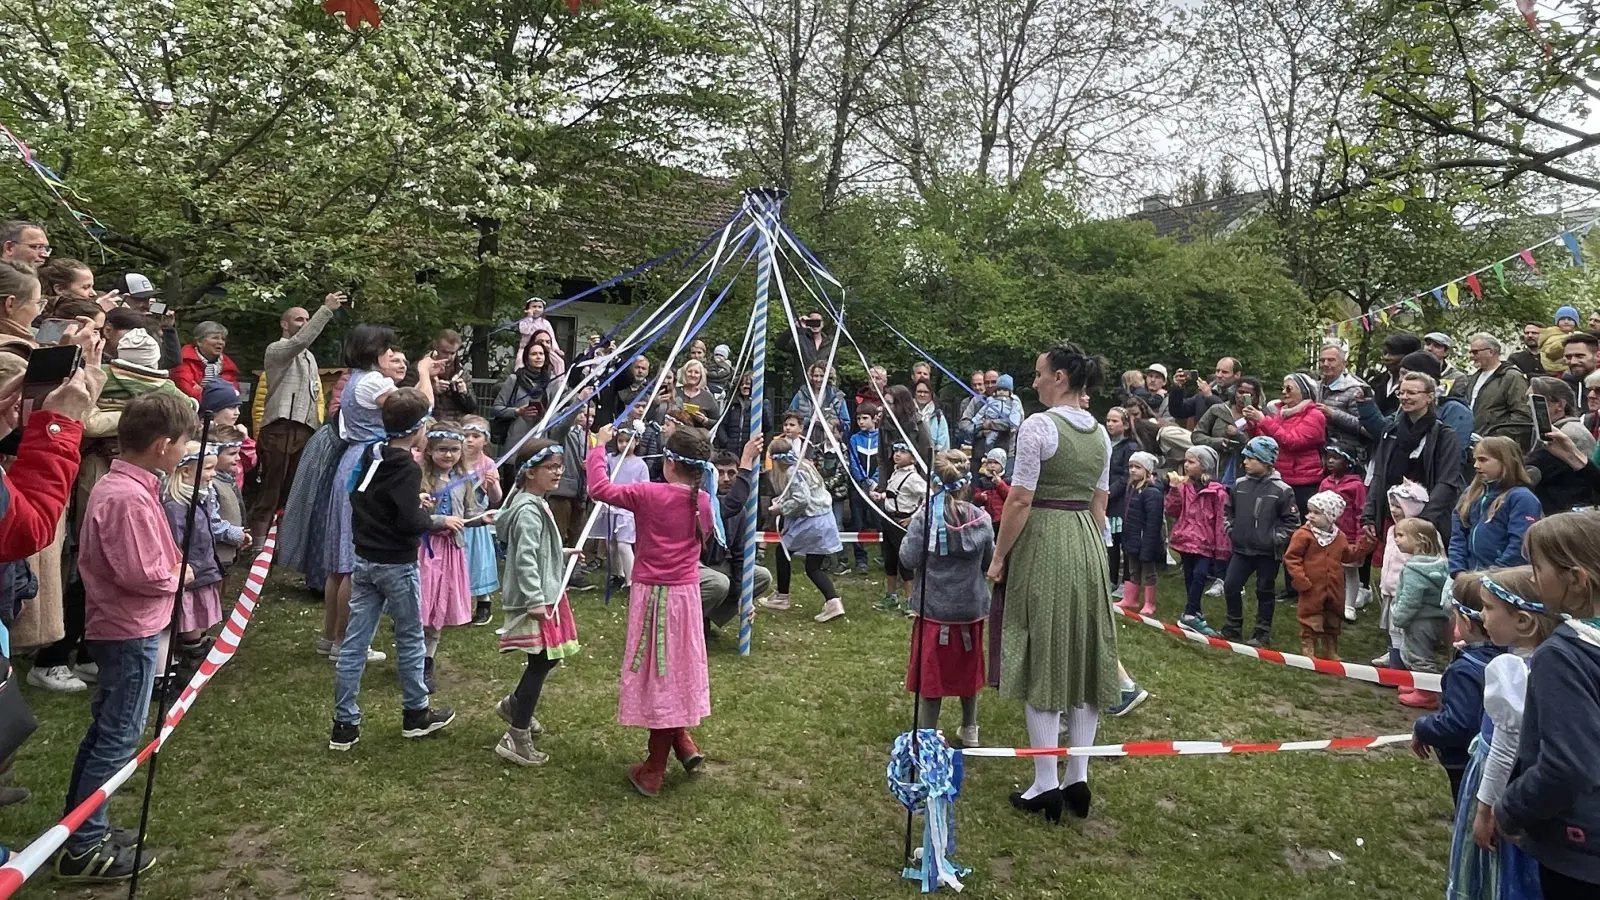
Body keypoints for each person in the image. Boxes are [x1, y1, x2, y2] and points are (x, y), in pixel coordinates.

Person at [56, 391, 193, 882]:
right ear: (162, 445)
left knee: (107, 732)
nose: (184, 453)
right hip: (128, 630)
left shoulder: (132, 487)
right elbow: (141, 572)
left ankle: (81, 827)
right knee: (118, 737)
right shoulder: (126, 498)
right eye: (182, 444)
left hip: (124, 627)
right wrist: (182, 573)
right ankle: (84, 847)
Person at [987, 344, 1119, 823]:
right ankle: (1076, 777)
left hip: (1045, 539)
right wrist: (1095, 556)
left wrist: (999, 556)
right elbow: (1100, 503)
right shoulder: (1102, 433)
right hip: (1086, 542)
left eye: (1039, 373)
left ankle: (1045, 783)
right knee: (1083, 653)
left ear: (1060, 377)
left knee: (1042, 650)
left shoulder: (1038, 426)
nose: (1035, 380)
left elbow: (1019, 500)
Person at [586, 423, 717, 797]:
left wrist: (598, 447)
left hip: (655, 599)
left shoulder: (649, 494)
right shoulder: (703, 501)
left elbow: (600, 489)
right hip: (686, 598)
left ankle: (654, 769)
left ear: (670, 463)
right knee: (673, 673)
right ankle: (682, 743)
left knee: (660, 678)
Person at [329, 387, 459, 753]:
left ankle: (344, 724)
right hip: (396, 564)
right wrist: (436, 519)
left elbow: (362, 495)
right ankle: (416, 713)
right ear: (418, 429)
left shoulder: (373, 454)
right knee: (410, 638)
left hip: (364, 560)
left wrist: (407, 502)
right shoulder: (406, 466)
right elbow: (408, 522)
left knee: (355, 642)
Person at [1500, 513, 1600, 897]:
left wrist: (1511, 807)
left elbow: (1568, 767)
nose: (1532, 576)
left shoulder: (1564, 656)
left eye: (1537, 566)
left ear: (1575, 579)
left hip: (1581, 851)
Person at [323, 327, 435, 664]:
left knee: (341, 563)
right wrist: (424, 372)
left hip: (357, 458)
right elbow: (417, 408)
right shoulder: (373, 382)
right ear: (374, 351)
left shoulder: (357, 378)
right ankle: (345, 641)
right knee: (350, 561)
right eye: (387, 348)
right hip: (371, 462)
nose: (391, 354)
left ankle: (330, 636)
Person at [1446, 566, 1553, 900]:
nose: (1481, 615)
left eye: (1489, 608)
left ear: (1523, 622)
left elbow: (1503, 749)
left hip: (1502, 788)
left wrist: (1484, 809)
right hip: (1533, 793)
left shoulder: (1510, 673)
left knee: (1495, 869)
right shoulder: (1553, 665)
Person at [491, 438, 581, 767]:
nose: (558, 472)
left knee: (546, 660)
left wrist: (562, 553)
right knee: (541, 661)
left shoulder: (536, 501)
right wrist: (534, 599)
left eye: (559, 466)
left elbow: (538, 550)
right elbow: (525, 559)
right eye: (551, 467)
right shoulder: (528, 510)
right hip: (537, 598)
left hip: (546, 593)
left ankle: (516, 707)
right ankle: (516, 733)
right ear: (530, 472)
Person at [902, 450, 993, 749]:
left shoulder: (925, 516)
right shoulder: (982, 518)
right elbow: (988, 561)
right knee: (968, 666)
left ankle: (927, 732)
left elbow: (908, 557)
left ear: (934, 483)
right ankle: (970, 728)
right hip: (969, 607)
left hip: (935, 608)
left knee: (932, 671)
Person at [251, 292, 344, 544]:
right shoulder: (277, 349)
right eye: (299, 319)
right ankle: (257, 547)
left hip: (304, 432)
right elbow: (299, 342)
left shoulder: (310, 358)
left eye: (306, 319)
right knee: (269, 492)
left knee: (292, 493)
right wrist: (325, 310)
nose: (303, 323)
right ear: (285, 324)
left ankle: (280, 545)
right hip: (279, 429)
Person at [1412, 573, 1502, 807]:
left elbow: (1459, 723)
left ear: (1467, 622)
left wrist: (1423, 727)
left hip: (1467, 763)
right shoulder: (1509, 657)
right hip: (1500, 764)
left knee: (1471, 818)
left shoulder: (1464, 670)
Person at [1362, 371, 1464, 546]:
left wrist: (1424, 521)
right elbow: (1379, 475)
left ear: (1430, 397)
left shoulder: (1444, 435)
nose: (1404, 397)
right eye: (1401, 392)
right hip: (1391, 518)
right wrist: (1369, 515)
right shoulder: (1391, 432)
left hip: (1428, 523)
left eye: (1412, 393)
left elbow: (1446, 482)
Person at [1220, 437, 1299, 647]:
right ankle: (1233, 626)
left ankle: (1262, 632)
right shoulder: (1239, 485)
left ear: (1266, 462)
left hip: (1267, 553)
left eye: (1250, 458)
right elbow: (1229, 511)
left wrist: (1273, 539)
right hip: (1241, 548)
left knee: (1265, 590)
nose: (1245, 462)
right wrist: (1232, 530)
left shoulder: (1282, 490)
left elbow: (1292, 523)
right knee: (1231, 585)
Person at [761, 436, 846, 621]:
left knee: (783, 552)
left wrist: (780, 508)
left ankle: (783, 596)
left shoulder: (792, 471)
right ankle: (833, 602)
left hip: (811, 522)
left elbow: (802, 499)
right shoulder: (805, 465)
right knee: (813, 566)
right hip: (824, 519)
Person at [1283, 490, 1371, 660]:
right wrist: (1300, 578)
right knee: (1310, 615)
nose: (1310, 516)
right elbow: (1292, 557)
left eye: (1317, 513)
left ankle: (1330, 648)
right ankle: (1309, 647)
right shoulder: (1303, 534)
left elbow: (1348, 555)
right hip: (1311, 585)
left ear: (1331, 516)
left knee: (1333, 616)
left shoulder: (1339, 537)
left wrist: (1364, 545)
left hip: (1334, 586)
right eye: (1309, 512)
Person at [162, 443, 227, 667]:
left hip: (202, 567)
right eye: (208, 468)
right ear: (186, 471)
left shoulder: (201, 499)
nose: (213, 474)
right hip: (189, 571)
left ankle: (196, 642)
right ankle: (192, 649)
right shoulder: (176, 505)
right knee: (188, 611)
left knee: (198, 609)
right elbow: (173, 540)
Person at [700, 437, 773, 632]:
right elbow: (731, 503)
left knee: (760, 575)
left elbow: (740, 554)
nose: (725, 479)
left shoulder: (741, 512)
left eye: (731, 473)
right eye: (720, 473)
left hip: (721, 565)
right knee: (718, 583)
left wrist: (743, 595)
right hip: (694, 567)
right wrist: (747, 460)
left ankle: (709, 616)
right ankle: (694, 621)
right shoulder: (703, 501)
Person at [1448, 436, 1541, 576]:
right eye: (1475, 460)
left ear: (1506, 461)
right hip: (1469, 577)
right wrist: (1458, 571)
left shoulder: (1522, 498)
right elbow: (1458, 536)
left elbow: (1520, 543)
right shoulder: (1471, 494)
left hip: (1504, 578)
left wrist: (1494, 575)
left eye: (1483, 460)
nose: (1476, 466)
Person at [1165, 446, 1230, 636]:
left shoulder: (1217, 491)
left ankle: (1190, 613)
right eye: (1185, 461)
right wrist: (1174, 491)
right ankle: (1194, 610)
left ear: (1205, 465)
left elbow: (1220, 520)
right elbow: (1172, 510)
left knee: (1201, 575)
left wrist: (1222, 547)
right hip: (1186, 538)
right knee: (1190, 576)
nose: (1186, 465)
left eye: (1191, 462)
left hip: (1205, 541)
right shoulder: (1183, 486)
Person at [1244, 373, 1328, 519]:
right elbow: (1266, 443)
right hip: (1279, 478)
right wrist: (1252, 424)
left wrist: (1263, 420)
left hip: (1303, 482)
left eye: (1289, 389)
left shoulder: (1315, 415)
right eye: (1283, 388)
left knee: (1298, 524)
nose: (1283, 392)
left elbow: (1292, 442)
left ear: (1303, 392)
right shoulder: (1282, 414)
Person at [1389, 517, 1450, 709]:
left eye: (1400, 535)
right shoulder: (1440, 565)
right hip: (1438, 619)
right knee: (1420, 653)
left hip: (1420, 621)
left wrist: (1398, 618)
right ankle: (1418, 685)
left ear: (1420, 540)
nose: (1396, 540)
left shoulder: (1414, 570)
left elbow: (1410, 599)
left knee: (1419, 656)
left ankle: (1427, 694)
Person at [1375, 480, 1430, 670]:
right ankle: (1394, 654)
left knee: (1404, 628)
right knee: (1393, 627)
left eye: (1399, 506)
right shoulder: (1392, 530)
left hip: (1407, 590)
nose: (1394, 510)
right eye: (1392, 505)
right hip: (1390, 588)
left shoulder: (1422, 532)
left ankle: (1402, 662)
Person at [459, 418, 501, 626]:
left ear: (485, 440)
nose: (469, 440)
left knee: (478, 563)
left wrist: (491, 486)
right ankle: (456, 605)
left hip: (478, 521)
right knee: (457, 563)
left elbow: (496, 498)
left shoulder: (488, 464)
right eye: (466, 435)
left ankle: (483, 603)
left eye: (475, 436)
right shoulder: (455, 461)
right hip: (458, 520)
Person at [1456, 333, 1532, 449]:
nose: (1471, 356)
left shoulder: (1512, 376)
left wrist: (1494, 437)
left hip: (1497, 448)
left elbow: (1522, 415)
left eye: (1475, 352)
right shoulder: (1474, 377)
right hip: (1472, 444)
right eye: (1471, 352)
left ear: (1491, 352)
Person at [598, 424, 650, 592]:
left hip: (628, 510)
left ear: (636, 442)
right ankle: (617, 575)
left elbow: (645, 487)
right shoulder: (610, 460)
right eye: (620, 441)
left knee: (624, 544)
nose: (623, 444)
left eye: (628, 441)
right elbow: (600, 470)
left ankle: (631, 581)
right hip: (611, 506)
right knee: (611, 544)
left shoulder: (641, 465)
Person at [1113, 451, 1165, 617]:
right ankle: (1131, 598)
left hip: (1145, 539)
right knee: (1133, 568)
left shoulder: (1152, 492)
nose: (1133, 470)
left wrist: (1148, 544)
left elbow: (1153, 522)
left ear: (1148, 470)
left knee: (1148, 572)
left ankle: (1150, 603)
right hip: (1132, 537)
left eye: (1137, 467)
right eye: (1131, 466)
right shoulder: (1132, 488)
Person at [1320, 446, 1368, 623]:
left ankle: (1349, 605)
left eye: (1336, 458)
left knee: (1350, 570)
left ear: (1348, 462)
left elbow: (1360, 512)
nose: (1330, 461)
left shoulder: (1356, 486)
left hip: (1349, 536)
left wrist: (1359, 538)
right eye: (1328, 457)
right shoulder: (1325, 483)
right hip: (1327, 535)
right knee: (1329, 569)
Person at [1192, 375, 1261, 485]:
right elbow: (1196, 435)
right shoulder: (1218, 410)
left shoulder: (1260, 417)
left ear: (1256, 398)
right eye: (1240, 392)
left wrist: (1239, 435)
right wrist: (1218, 442)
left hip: (1245, 471)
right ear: (1235, 392)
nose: (1243, 397)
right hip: (1216, 466)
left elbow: (1262, 448)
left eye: (1249, 394)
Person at [492, 340, 554, 460]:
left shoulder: (551, 382)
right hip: (515, 444)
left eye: (541, 354)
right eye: (534, 354)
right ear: (526, 358)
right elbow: (496, 408)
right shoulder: (514, 379)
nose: (538, 357)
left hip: (540, 442)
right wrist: (517, 411)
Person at [1103, 409, 1137, 596]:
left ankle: (1127, 582)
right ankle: (1111, 578)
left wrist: (1110, 492)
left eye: (1115, 421)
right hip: (1104, 498)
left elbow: (1127, 476)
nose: (1110, 424)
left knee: (1121, 539)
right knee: (1110, 541)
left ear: (1125, 424)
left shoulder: (1130, 447)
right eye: (1108, 420)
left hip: (1121, 501)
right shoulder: (1104, 443)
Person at [1316, 344, 1369, 458]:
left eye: (1331, 360)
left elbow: (1367, 427)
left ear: (1343, 364)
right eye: (1322, 360)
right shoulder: (1315, 387)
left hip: (1346, 455)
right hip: (1320, 453)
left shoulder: (1356, 390)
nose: (1325, 364)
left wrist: (1334, 414)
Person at [170, 321, 240, 399]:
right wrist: (220, 395)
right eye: (215, 338)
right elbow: (186, 391)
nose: (221, 342)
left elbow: (234, 393)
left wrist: (202, 391)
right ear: (199, 341)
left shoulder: (228, 366)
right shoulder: (183, 361)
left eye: (223, 339)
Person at [970, 375, 1023, 467]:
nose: (1001, 392)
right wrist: (976, 421)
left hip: (1007, 446)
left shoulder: (1014, 402)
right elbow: (981, 412)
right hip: (988, 429)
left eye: (1005, 390)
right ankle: (987, 456)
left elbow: (1015, 416)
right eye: (999, 389)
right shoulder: (990, 400)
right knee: (989, 441)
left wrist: (1012, 426)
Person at [1170, 357, 1243, 420]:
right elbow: (1178, 412)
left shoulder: (1241, 394)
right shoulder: (1204, 393)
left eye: (1225, 372)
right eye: (1217, 371)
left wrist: (1210, 397)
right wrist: (1177, 388)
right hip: (1200, 435)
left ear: (1237, 375)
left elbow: (1230, 418)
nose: (1219, 375)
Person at [1372, 333, 1424, 417]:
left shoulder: (1421, 386)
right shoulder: (1377, 381)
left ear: (1410, 355)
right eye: (1385, 353)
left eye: (1393, 353)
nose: (1386, 358)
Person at [715, 371, 769, 452]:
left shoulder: (763, 403)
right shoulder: (732, 403)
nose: (744, 386)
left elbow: (767, 426)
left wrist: (761, 405)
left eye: (747, 384)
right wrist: (726, 443)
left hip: (751, 450)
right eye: (741, 384)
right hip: (731, 450)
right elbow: (721, 425)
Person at [781, 310, 831, 389]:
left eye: (817, 321)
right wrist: (794, 327)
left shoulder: (829, 343)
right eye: (812, 321)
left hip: (824, 388)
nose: (815, 324)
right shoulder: (800, 339)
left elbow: (834, 366)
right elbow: (780, 345)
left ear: (823, 323)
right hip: (802, 387)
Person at [514, 298, 563, 373]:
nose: (537, 309)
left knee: (559, 362)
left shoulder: (545, 323)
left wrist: (556, 349)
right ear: (528, 309)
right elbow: (525, 331)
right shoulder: (524, 321)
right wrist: (529, 318)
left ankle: (560, 381)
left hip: (543, 350)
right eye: (534, 306)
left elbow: (552, 338)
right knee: (520, 361)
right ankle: (519, 378)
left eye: (540, 307)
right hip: (526, 348)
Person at [972, 448, 1010, 526]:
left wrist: (1000, 484)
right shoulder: (982, 481)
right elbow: (974, 497)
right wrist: (980, 496)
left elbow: (1009, 497)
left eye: (996, 463)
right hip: (986, 518)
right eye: (990, 462)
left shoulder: (1007, 480)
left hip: (1002, 518)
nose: (992, 465)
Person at [1539, 306, 1581, 376]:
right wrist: (1568, 338)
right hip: (1555, 373)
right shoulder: (1551, 335)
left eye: (1570, 319)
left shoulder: (1573, 335)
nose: (1566, 321)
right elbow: (1551, 351)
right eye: (1562, 319)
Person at [912, 378, 950, 452]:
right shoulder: (908, 413)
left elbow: (944, 444)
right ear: (914, 393)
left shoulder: (938, 415)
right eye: (919, 391)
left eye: (926, 392)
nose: (922, 394)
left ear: (931, 394)